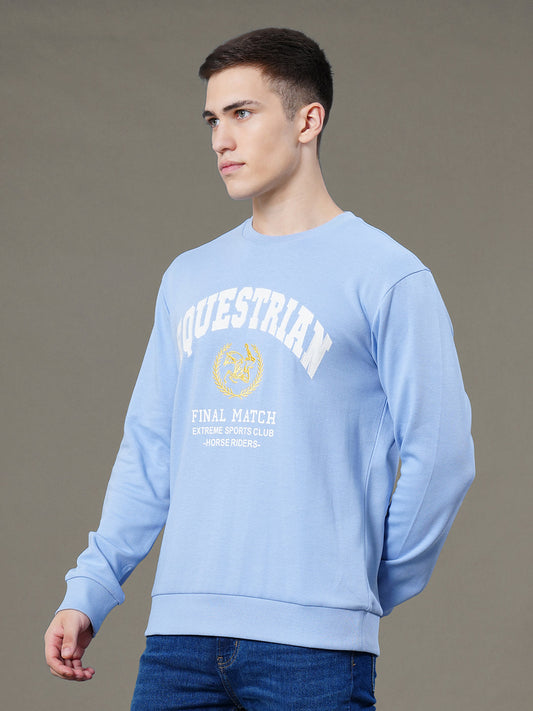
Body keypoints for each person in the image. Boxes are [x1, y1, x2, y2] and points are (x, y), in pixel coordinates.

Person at [44, 27, 475, 709]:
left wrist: (357, 590)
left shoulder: (387, 275)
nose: (221, 139)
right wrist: (90, 588)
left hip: (313, 651)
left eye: (242, 113)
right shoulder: (188, 277)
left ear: (308, 120)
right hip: (179, 641)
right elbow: (149, 451)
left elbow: (442, 454)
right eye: (212, 120)